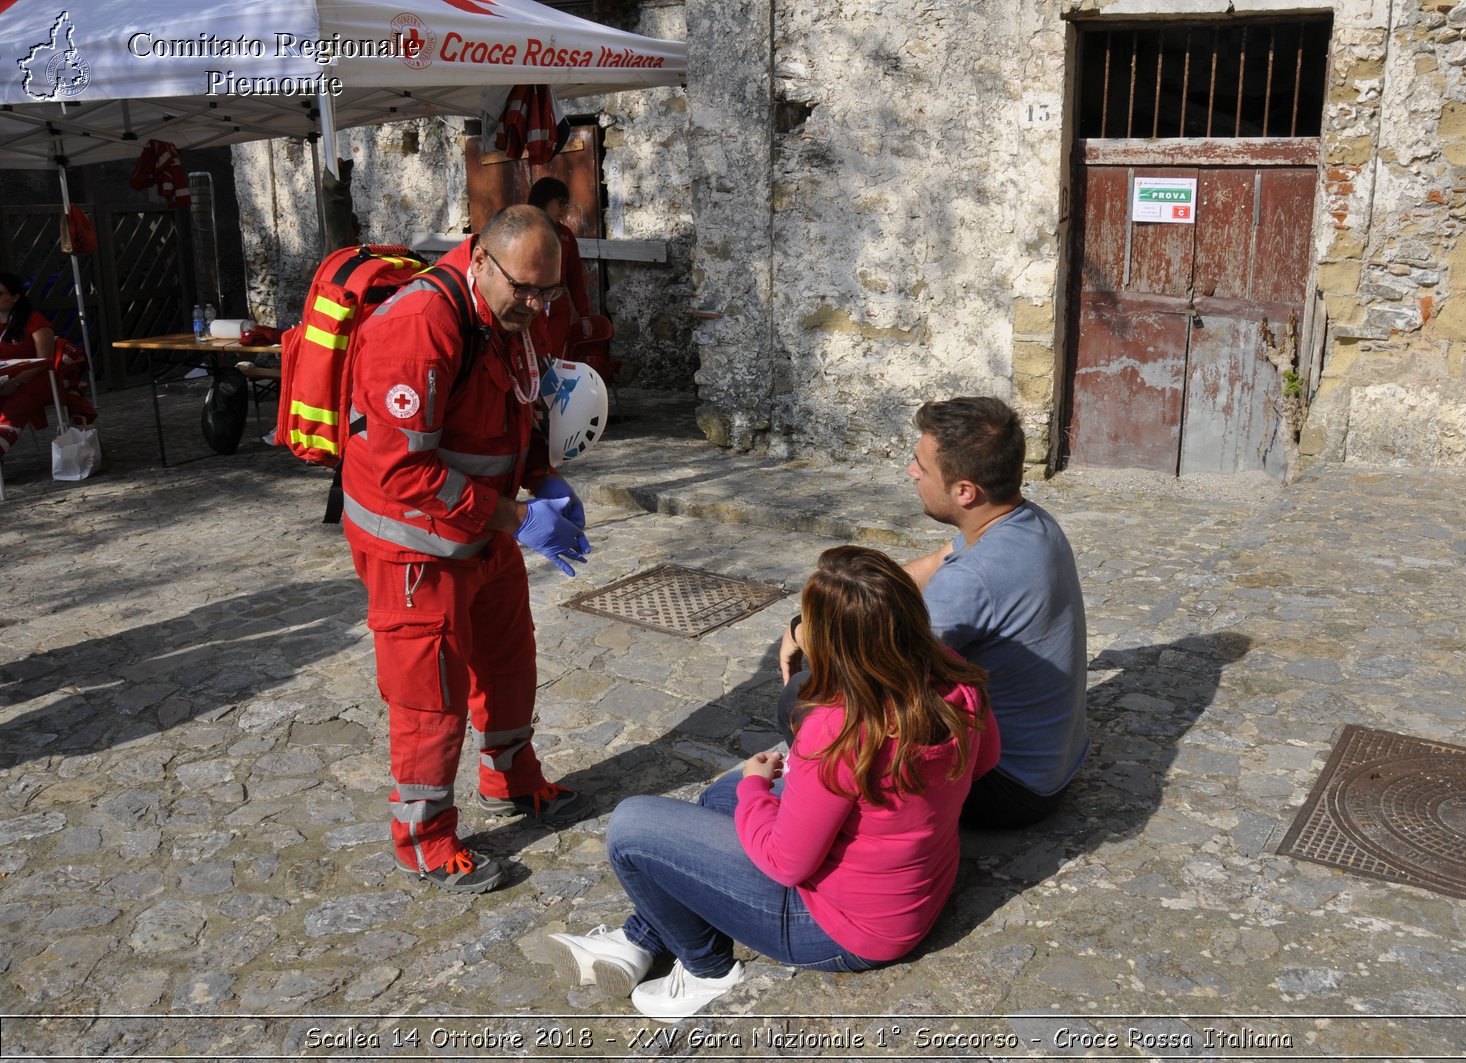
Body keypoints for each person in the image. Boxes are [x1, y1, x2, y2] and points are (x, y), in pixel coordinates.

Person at [550, 545, 1001, 1021]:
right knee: (716, 800)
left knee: (633, 827)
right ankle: (641, 939)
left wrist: (754, 785)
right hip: (914, 893)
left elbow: (786, 863)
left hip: (840, 929)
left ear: (830, 642)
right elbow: (985, 761)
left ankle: (706, 970)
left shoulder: (838, 726)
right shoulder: (953, 676)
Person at [340, 206, 594, 895]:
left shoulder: (509, 313)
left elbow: (520, 407)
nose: (539, 308)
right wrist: (514, 513)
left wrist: (544, 479)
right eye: (528, 290)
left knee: (509, 657)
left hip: (480, 528)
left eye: (550, 292)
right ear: (480, 259)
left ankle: (510, 778)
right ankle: (424, 839)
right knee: (431, 694)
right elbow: (401, 470)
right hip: (413, 545)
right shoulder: (418, 326)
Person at [778, 397, 1089, 830]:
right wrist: (857, 597)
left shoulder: (975, 578)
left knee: (802, 699)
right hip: (1053, 764)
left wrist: (802, 631)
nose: (911, 472)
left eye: (921, 467)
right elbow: (928, 566)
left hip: (1008, 788)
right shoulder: (1026, 521)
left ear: (965, 491)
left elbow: (875, 655)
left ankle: (838, 818)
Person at [526, 176, 593, 359]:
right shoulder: (522, 231)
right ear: (544, 200)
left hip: (558, 306)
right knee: (528, 357)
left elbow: (575, 277)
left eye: (566, 204)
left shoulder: (565, 235)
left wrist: (584, 315)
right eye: (560, 203)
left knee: (554, 359)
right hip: (528, 306)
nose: (564, 210)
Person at [0, 271, 59, 462]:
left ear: (15, 296)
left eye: (0, 294)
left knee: (16, 405)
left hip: (34, 377)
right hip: (3, 377)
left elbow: (44, 359)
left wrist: (15, 382)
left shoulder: (34, 320)